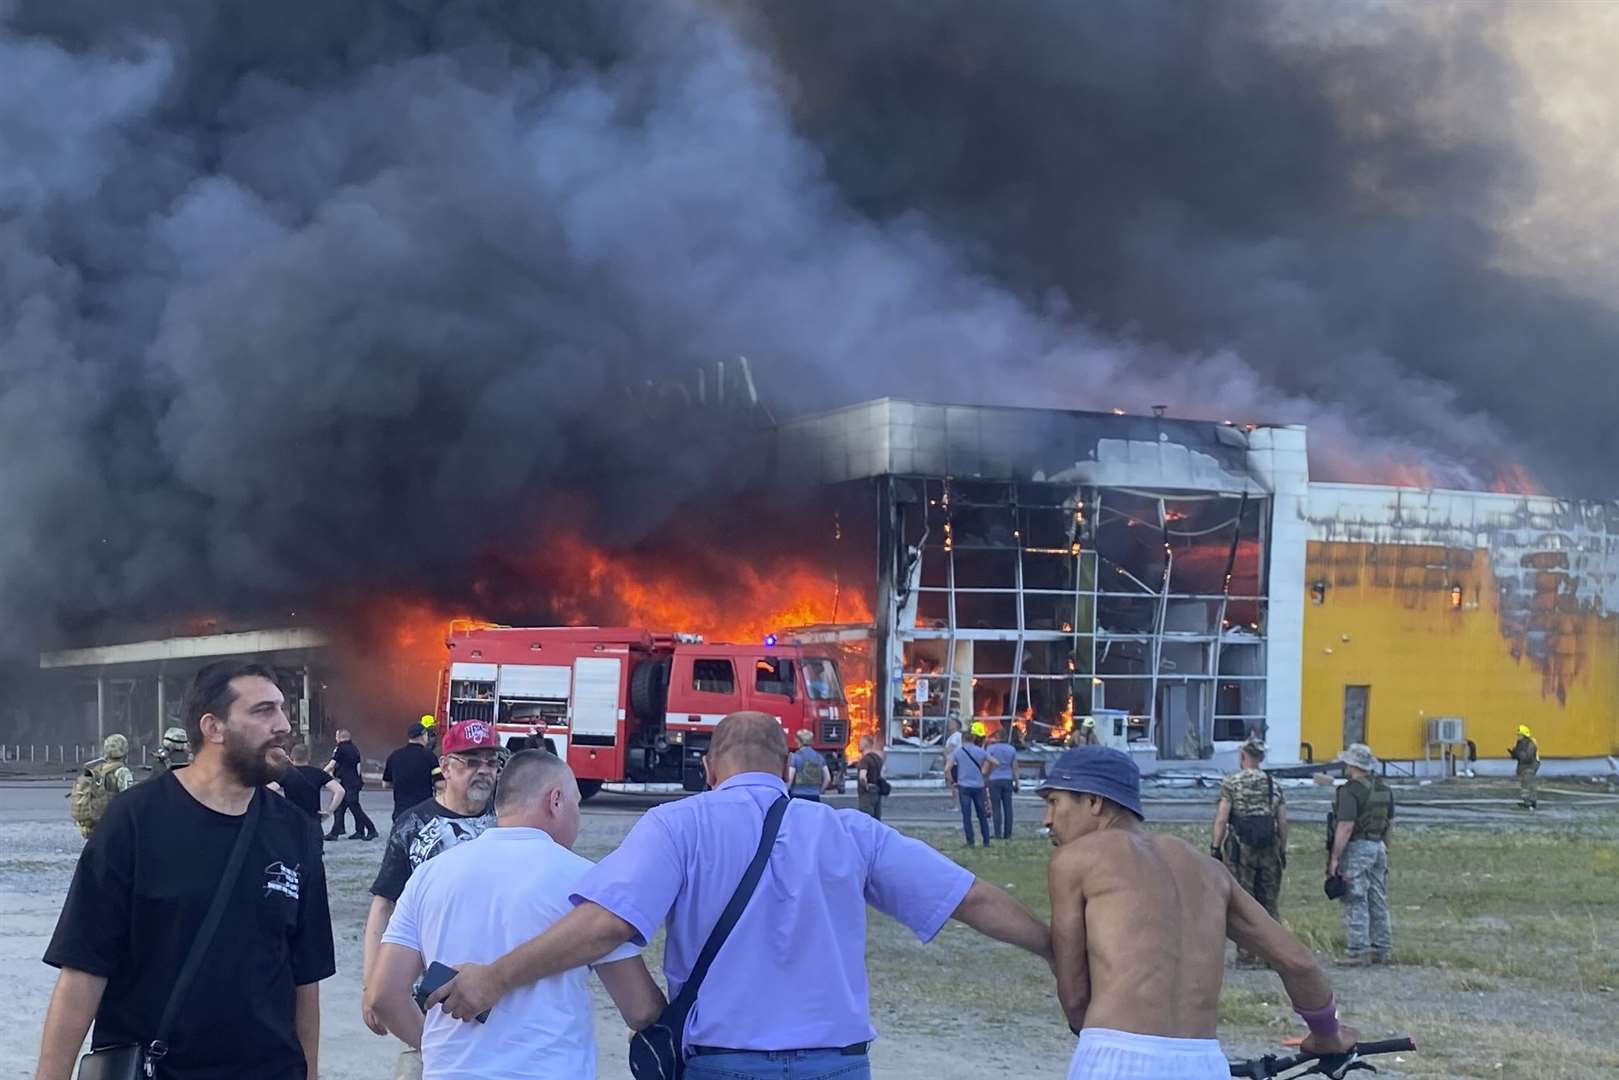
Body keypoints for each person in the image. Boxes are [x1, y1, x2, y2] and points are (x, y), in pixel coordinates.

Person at [424, 711, 1052, 1080]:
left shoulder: (678, 826)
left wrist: (498, 976)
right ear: (786, 770)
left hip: (723, 1066)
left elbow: (604, 927)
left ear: (708, 770)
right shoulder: (849, 830)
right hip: (833, 1066)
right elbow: (971, 898)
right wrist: (1055, 949)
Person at [36, 661, 334, 1080]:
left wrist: (311, 1073)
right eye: (263, 711)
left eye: (282, 709)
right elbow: (83, 968)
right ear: (213, 727)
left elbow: (307, 977)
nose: (283, 724)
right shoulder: (134, 821)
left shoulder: (296, 832)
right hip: (160, 1069)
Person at [1041, 746, 1356, 1080]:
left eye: (1054, 802)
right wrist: (1326, 1034)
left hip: (1116, 1056)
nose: (1047, 820)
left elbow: (1074, 995)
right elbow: (1298, 963)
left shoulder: (1075, 860)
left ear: (1094, 802)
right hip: (1202, 1061)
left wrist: (1091, 1025)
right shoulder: (1209, 870)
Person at [366, 751, 664, 1079]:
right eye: (576, 804)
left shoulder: (430, 874)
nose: (578, 817)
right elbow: (639, 1008)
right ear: (556, 801)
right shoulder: (586, 881)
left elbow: (384, 994)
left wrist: (436, 1047)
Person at [362, 720, 501, 1077]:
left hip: (502, 989)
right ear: (447, 767)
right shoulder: (413, 824)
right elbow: (384, 905)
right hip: (431, 998)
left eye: (491, 761)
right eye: (472, 762)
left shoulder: (509, 820)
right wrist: (371, 983)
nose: (484, 771)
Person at [1211, 737, 1288, 966]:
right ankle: (1274, 954)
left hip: (1240, 848)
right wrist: (1281, 848)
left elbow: (1222, 819)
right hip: (1269, 848)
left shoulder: (1232, 783)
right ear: (1261, 758)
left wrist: (1215, 847)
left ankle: (1247, 954)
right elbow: (1282, 821)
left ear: (1243, 755)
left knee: (1245, 902)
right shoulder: (1274, 784)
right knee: (1269, 902)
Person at [1328, 744, 1394, 966]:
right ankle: (1381, 947)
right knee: (1377, 897)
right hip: (1378, 846)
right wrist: (1385, 846)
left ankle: (1357, 949)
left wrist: (1335, 857)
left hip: (1357, 846)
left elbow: (1346, 825)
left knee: (1356, 897)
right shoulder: (1384, 788)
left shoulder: (1349, 791)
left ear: (1352, 765)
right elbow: (1390, 822)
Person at [68, 734, 135, 839]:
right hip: (114, 825)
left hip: (96, 823)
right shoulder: (123, 771)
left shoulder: (98, 769)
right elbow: (129, 800)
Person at [325, 727, 378, 841]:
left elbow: (332, 764)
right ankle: (342, 831)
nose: (335, 738)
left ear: (340, 737)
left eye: (336, 736)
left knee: (354, 807)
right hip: (354, 781)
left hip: (348, 782)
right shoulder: (354, 748)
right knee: (340, 806)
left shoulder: (340, 748)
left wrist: (320, 774)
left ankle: (371, 829)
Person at [383, 722, 440, 822]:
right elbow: (441, 784)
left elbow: (385, 784)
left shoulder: (394, 756)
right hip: (424, 814)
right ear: (423, 735)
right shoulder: (429, 756)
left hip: (400, 814)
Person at [947, 721, 992, 847]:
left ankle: (970, 842)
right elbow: (994, 761)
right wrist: (985, 772)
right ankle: (986, 841)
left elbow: (947, 768)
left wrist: (952, 781)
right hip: (978, 786)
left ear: (962, 739)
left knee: (966, 815)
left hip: (964, 786)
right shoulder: (980, 751)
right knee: (982, 815)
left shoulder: (958, 752)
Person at [274, 744, 346, 821]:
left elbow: (267, 789)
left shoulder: (286, 774)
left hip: (292, 818)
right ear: (309, 757)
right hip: (313, 819)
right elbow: (340, 791)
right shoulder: (318, 773)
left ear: (292, 756)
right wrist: (329, 811)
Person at [985, 724, 1020, 839]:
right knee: (1008, 807)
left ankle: (997, 833)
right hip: (1007, 779)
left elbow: (988, 766)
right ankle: (1008, 833)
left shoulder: (991, 749)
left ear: (997, 737)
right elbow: (1015, 767)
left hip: (994, 779)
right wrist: (1017, 782)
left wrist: (985, 777)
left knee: (996, 807)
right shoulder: (1011, 749)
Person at [786, 728, 828, 801]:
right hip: (815, 796)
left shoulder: (795, 757)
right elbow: (828, 778)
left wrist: (786, 791)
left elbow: (790, 778)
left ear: (797, 740)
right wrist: (820, 791)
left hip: (797, 795)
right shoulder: (819, 757)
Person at [1509, 724, 1540, 810]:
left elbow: (1528, 757)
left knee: (1528, 783)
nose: (1518, 736)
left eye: (1519, 735)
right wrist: (1513, 754)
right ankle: (1528, 801)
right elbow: (1519, 755)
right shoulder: (1519, 743)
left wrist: (1518, 755)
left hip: (1530, 766)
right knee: (1525, 784)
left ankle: (1530, 802)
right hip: (1523, 766)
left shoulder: (1531, 744)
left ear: (1524, 735)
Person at [855, 735, 885, 819]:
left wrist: (865, 786)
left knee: (866, 819)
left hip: (867, 793)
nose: (858, 745)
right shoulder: (877, 758)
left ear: (865, 745)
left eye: (860, 743)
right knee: (876, 819)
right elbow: (882, 774)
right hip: (877, 791)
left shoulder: (865, 760)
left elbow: (862, 776)